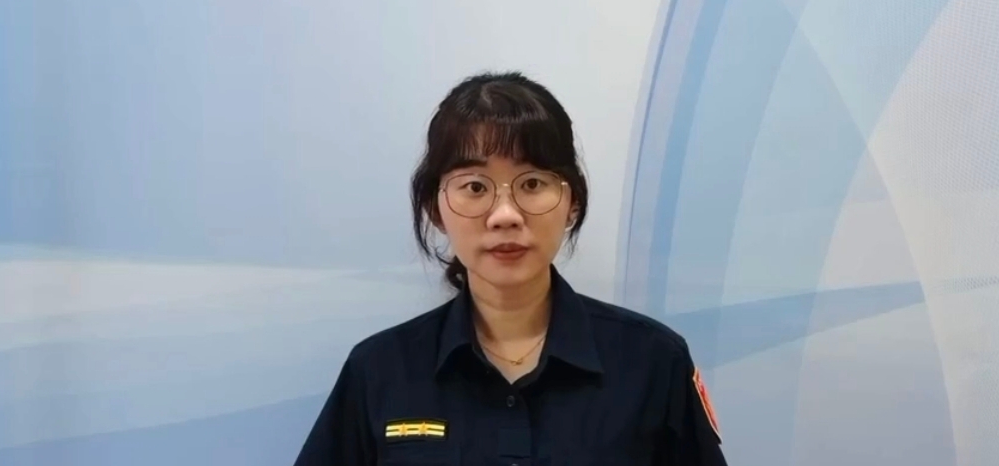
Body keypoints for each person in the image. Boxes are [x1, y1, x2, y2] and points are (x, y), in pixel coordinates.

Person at [293, 71, 729, 466]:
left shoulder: (653, 361)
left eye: (533, 183)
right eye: (474, 186)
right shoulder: (380, 370)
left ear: (573, 202)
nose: (505, 215)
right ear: (435, 209)